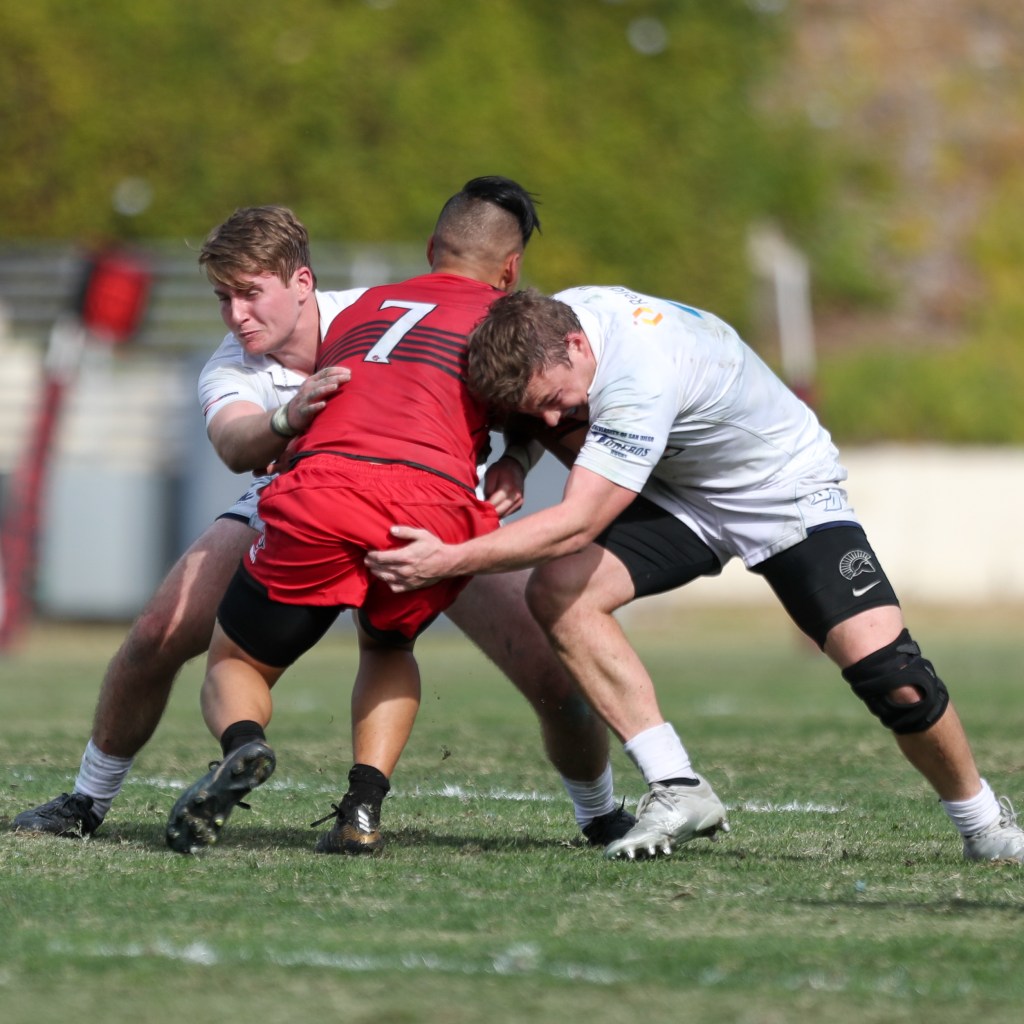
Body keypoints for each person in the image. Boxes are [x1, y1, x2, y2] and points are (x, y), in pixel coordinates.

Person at [13, 198, 630, 852]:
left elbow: (525, 384)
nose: (237, 315)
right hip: (323, 492)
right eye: (223, 298)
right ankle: (87, 800)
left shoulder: (371, 309)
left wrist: (516, 459)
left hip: (414, 497)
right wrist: (288, 419)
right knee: (156, 634)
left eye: (251, 293)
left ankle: (599, 814)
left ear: (303, 282)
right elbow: (235, 444)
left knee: (547, 667)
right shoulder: (234, 362)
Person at [366, 284, 1024, 863]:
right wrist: (517, 455)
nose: (552, 420)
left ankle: (983, 824)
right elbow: (539, 408)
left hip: (782, 491)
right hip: (683, 496)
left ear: (577, 345)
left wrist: (449, 557)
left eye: (555, 402)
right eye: (538, 409)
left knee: (894, 678)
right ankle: (677, 785)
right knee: (561, 592)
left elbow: (575, 524)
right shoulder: (555, 331)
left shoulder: (640, 374)